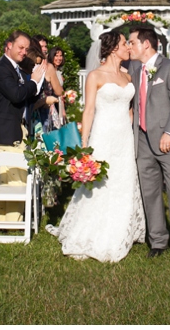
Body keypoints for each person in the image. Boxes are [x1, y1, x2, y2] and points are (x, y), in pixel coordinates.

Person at [47, 30, 145, 262]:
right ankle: (92, 230)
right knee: (101, 182)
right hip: (103, 134)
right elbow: (88, 110)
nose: (128, 48)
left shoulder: (128, 76)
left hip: (124, 137)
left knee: (123, 180)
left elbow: (130, 110)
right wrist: (84, 143)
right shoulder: (95, 76)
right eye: (124, 44)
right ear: (113, 48)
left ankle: (122, 227)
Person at [128, 27, 170, 261]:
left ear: (146, 44)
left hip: (169, 142)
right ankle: (157, 241)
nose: (129, 47)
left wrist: (169, 132)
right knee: (150, 193)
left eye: (132, 42)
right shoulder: (135, 68)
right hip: (142, 140)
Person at [0, 30, 46, 147]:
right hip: (6, 133)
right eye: (20, 48)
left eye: (26, 49)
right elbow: (16, 95)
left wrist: (37, 85)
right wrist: (33, 81)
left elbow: (26, 96)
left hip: (21, 130)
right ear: (10, 45)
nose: (24, 52)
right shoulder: (2, 69)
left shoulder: (17, 69)